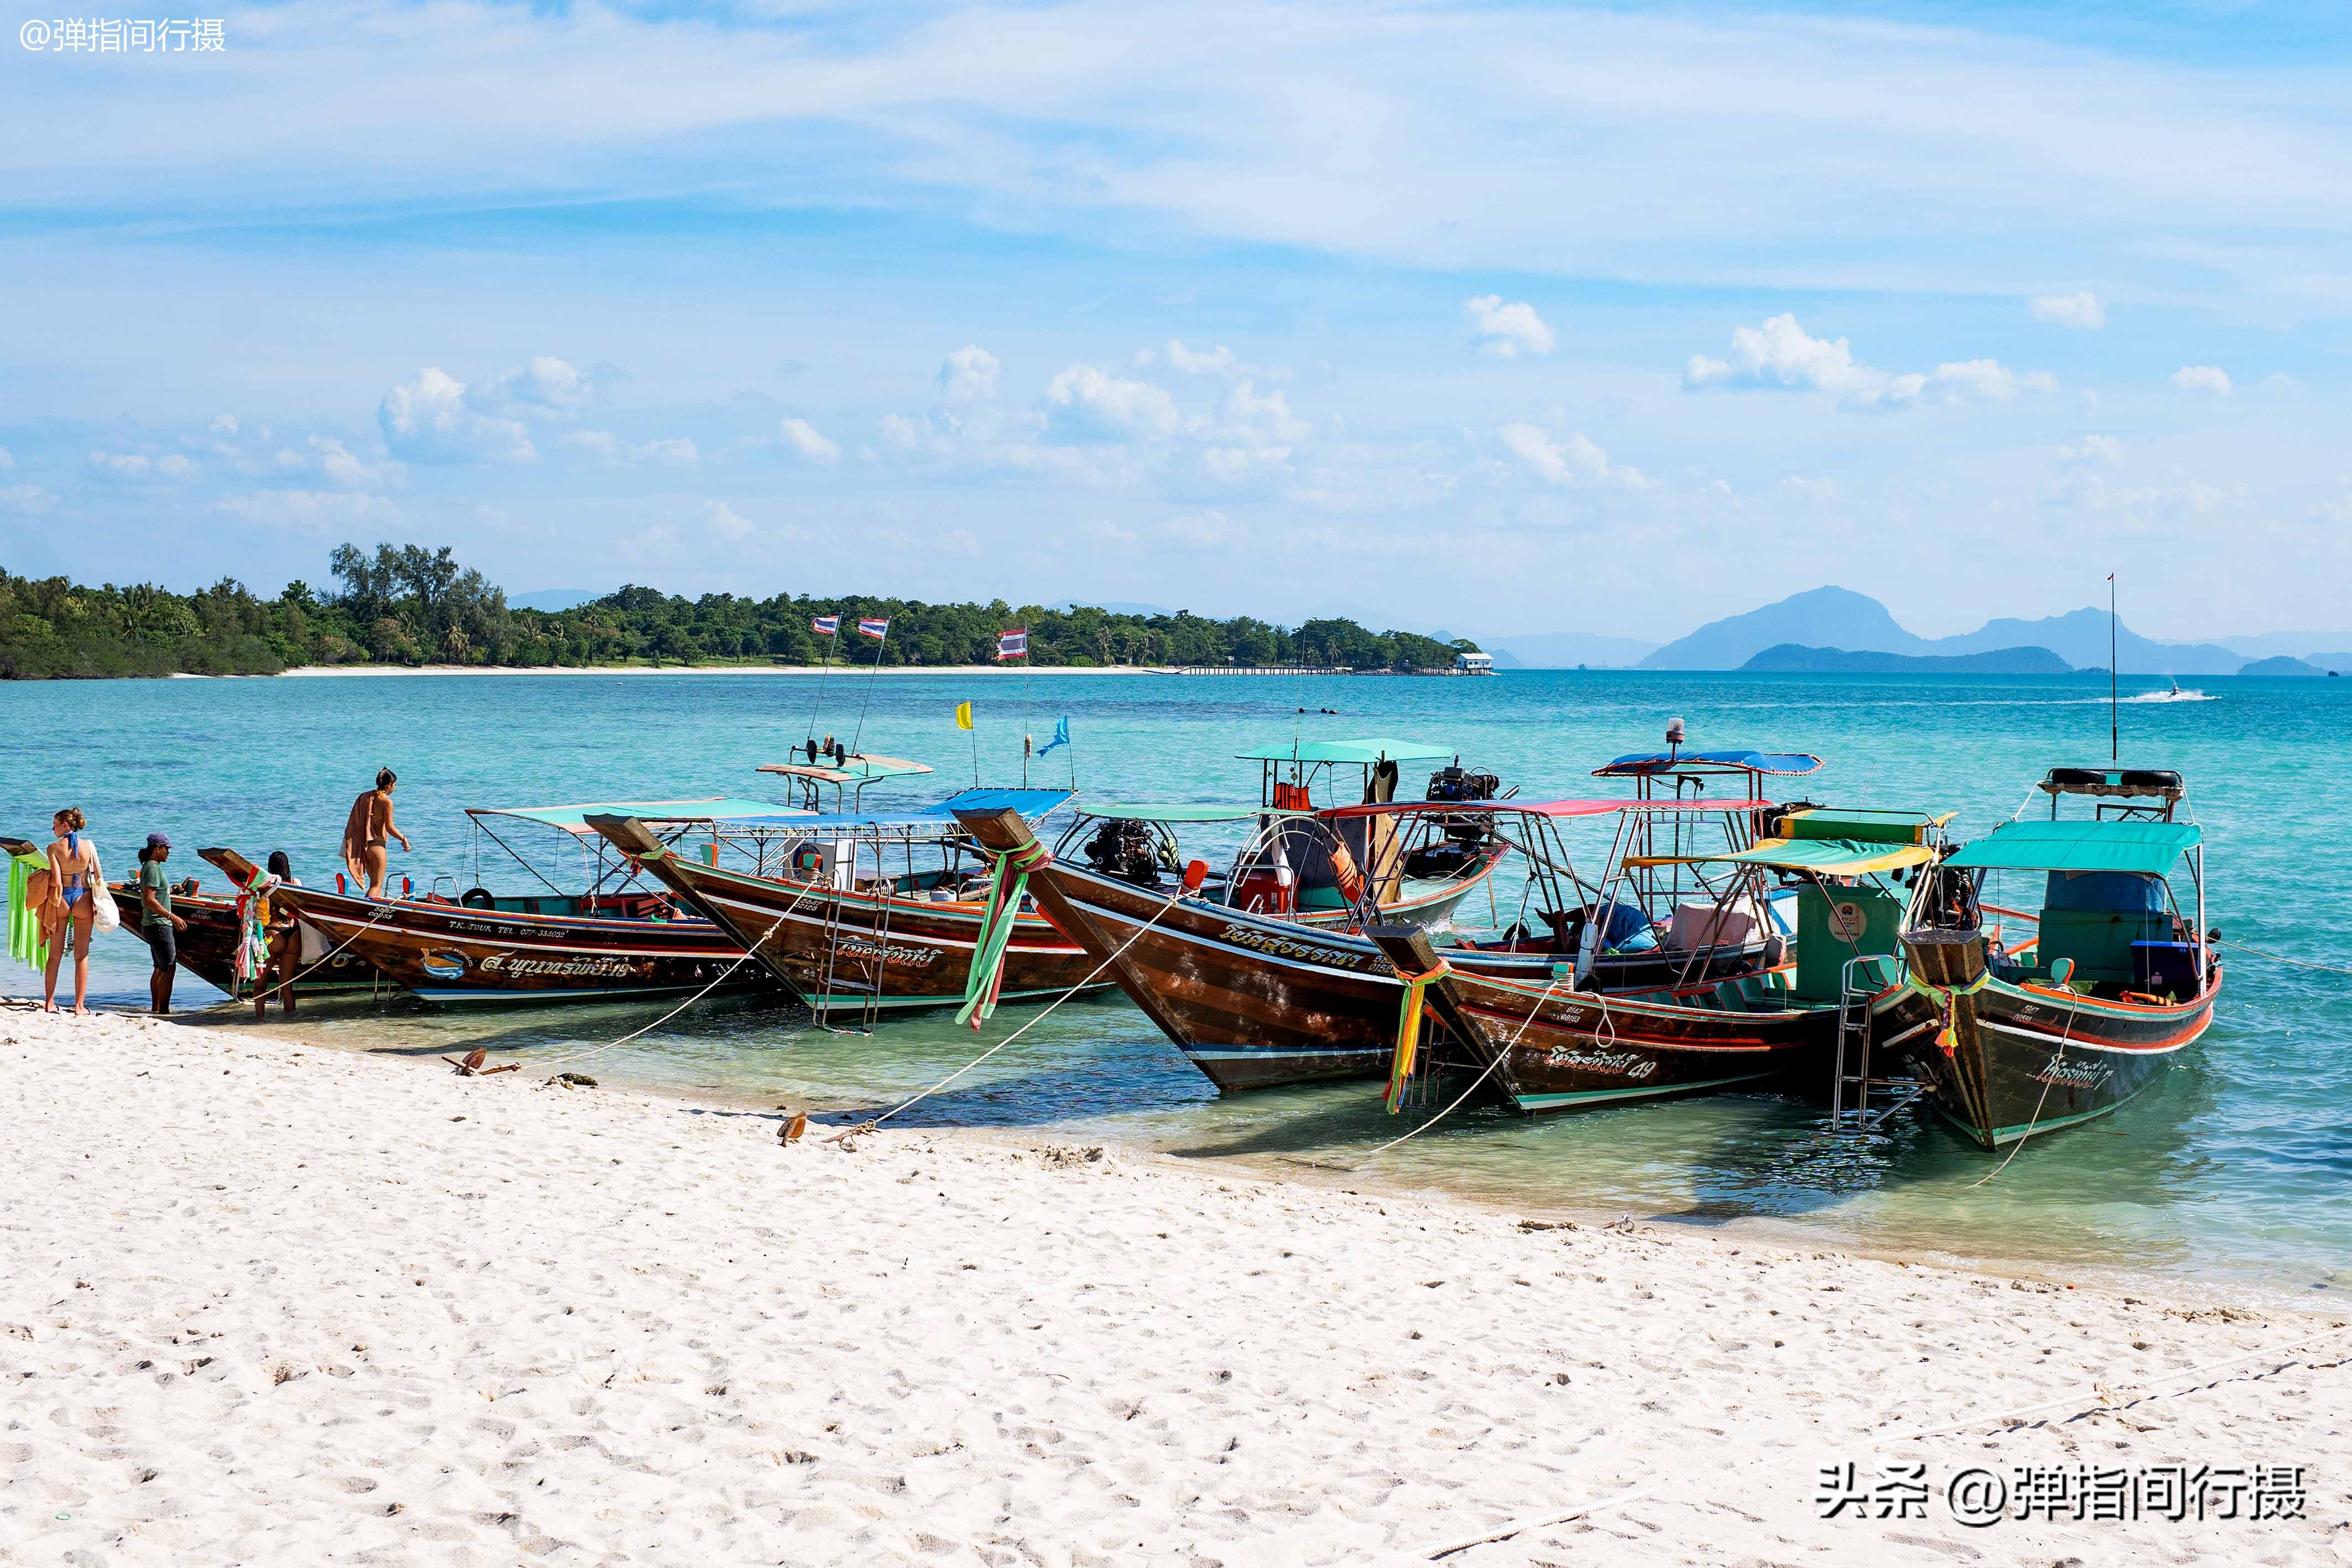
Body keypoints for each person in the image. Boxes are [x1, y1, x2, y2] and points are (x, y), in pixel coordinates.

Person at [41, 808, 101, 1016]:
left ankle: (49, 1003)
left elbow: (56, 882)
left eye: (56, 824)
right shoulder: (89, 847)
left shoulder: (53, 848)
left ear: (66, 825)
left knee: (55, 955)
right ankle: (79, 1007)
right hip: (83, 898)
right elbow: (98, 879)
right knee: (82, 955)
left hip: (62, 900)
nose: (53, 828)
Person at [136, 833, 190, 1015]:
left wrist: (174, 889)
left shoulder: (152, 867)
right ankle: (164, 1011)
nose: (168, 852)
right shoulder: (152, 868)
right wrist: (172, 917)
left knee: (160, 968)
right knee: (169, 968)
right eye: (166, 849)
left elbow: (156, 893)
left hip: (153, 924)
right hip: (159, 925)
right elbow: (149, 899)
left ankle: (156, 1008)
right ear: (157, 849)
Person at [341, 768, 412, 899]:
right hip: (377, 846)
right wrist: (404, 839)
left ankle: (372, 911)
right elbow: (390, 828)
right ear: (389, 785)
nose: (394, 789)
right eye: (395, 785)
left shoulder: (364, 797)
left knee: (373, 885)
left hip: (365, 846)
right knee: (377, 885)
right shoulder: (386, 802)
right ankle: (366, 911)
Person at [257, 850, 301, 1018]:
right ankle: (290, 1020)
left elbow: (260, 911)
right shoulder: (294, 883)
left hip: (273, 933)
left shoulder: (266, 885)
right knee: (287, 985)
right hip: (293, 934)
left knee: (260, 984)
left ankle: (259, 1019)